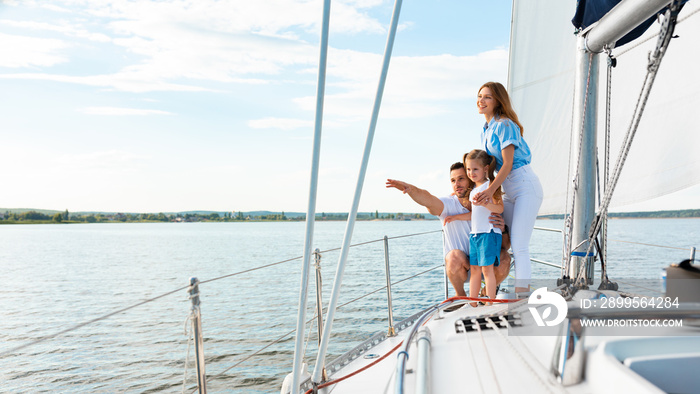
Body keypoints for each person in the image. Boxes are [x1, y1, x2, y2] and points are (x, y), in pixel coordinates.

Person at [386, 162, 511, 297]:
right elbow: (427, 199)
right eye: (453, 180)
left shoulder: (490, 203)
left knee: (505, 258)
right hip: (462, 267)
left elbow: (505, 246)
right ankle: (460, 295)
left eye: (461, 179)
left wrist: (503, 229)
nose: (456, 184)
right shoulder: (447, 204)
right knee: (453, 257)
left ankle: (485, 292)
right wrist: (410, 189)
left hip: (487, 265)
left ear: (471, 178)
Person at [474, 81, 543, 293]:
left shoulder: (505, 125)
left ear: (497, 101)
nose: (481, 100)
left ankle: (522, 296)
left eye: (488, 97)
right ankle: (492, 288)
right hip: (508, 190)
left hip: (524, 186)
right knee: (504, 240)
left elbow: (508, 162)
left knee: (520, 245)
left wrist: (489, 191)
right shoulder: (486, 129)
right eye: (480, 96)